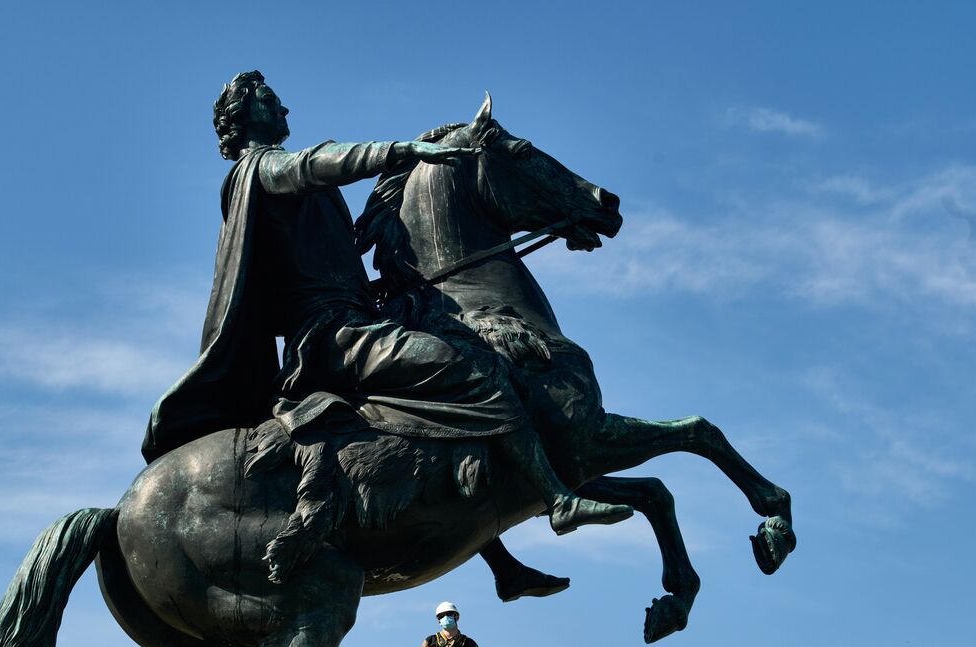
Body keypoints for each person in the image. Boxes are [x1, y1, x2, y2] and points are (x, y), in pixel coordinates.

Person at [141, 71, 631, 582]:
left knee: (442, 384)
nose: (284, 106)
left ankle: (502, 564)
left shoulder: (283, 180)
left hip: (351, 318)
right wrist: (402, 150)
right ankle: (557, 500)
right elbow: (318, 164)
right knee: (470, 369)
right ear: (244, 117)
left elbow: (325, 261)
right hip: (332, 337)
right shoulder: (262, 168)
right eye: (269, 98)